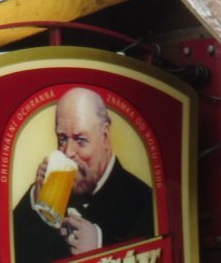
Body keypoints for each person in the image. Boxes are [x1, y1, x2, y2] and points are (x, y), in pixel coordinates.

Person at [12, 87, 156, 261]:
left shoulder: (144, 200)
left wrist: (99, 251)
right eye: (62, 139)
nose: (68, 152)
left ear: (104, 136)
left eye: (80, 140)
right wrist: (36, 201)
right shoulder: (51, 194)